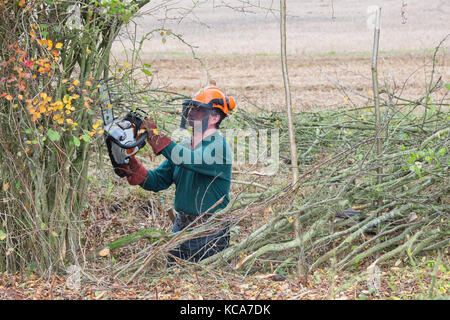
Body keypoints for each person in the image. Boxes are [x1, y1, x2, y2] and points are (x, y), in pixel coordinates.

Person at [120, 82, 236, 263]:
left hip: (210, 233)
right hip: (181, 228)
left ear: (214, 117)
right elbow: (157, 180)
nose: (191, 113)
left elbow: (188, 160)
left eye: (198, 109)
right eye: (190, 108)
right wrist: (129, 164)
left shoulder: (219, 147)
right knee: (172, 280)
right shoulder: (183, 148)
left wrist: (156, 137)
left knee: (202, 285)